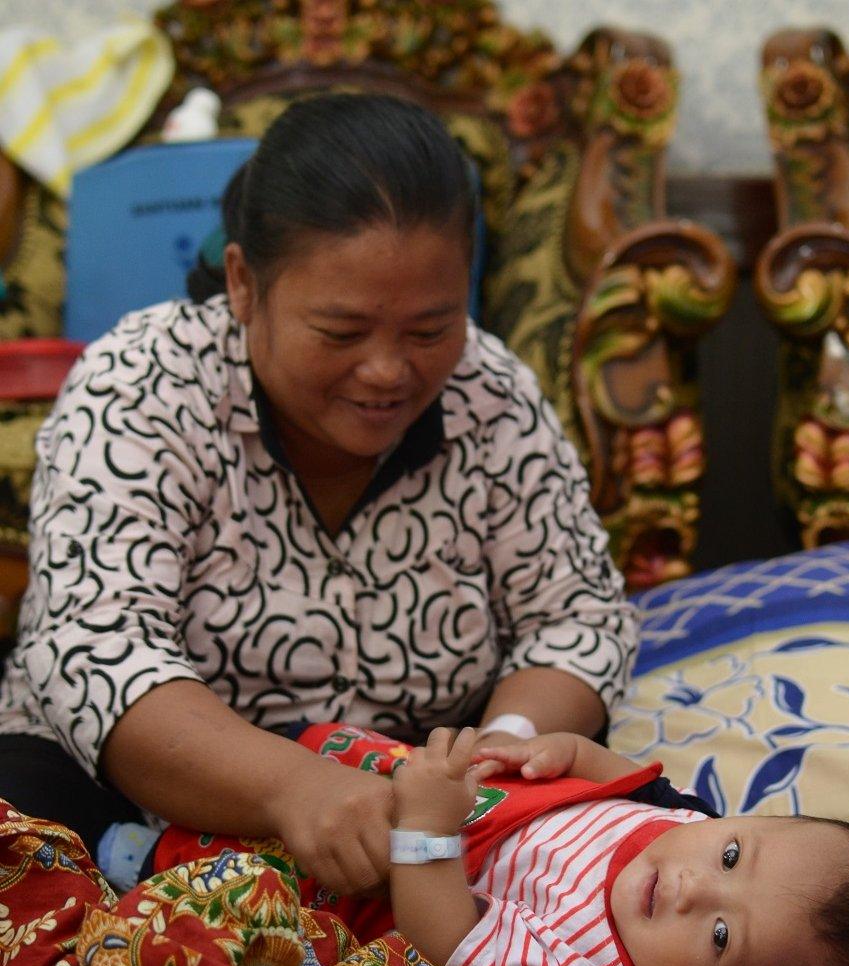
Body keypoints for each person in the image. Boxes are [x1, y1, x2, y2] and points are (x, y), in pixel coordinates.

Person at [0, 93, 635, 884]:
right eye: (340, 332)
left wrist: (503, 753)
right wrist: (292, 788)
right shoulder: (142, 383)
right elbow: (98, 647)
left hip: (413, 808)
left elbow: (575, 617)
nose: (388, 372)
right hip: (120, 796)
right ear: (242, 283)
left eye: (431, 329)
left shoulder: (491, 392)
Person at [107, 720, 849, 966]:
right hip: (416, 781)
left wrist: (426, 831)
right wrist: (565, 754)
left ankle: (134, 856)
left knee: (236, 880)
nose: (694, 885)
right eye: (734, 856)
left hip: (379, 871)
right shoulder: (692, 829)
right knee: (293, 773)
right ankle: (198, 777)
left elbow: (451, 945)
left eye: (719, 935)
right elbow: (630, 779)